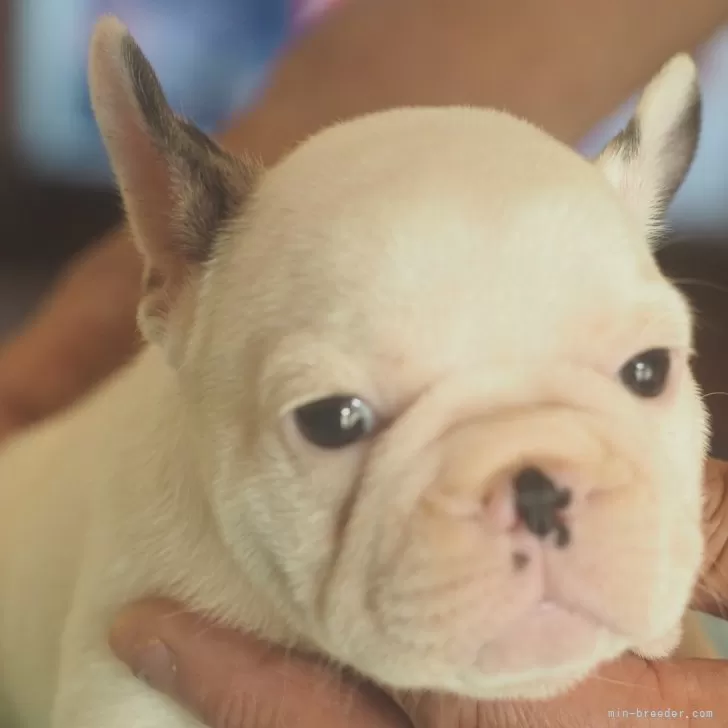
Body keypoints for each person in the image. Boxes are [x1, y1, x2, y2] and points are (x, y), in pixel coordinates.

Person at [2, 0, 728, 725]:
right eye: (339, 418)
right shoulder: (159, 552)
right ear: (175, 277)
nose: (541, 504)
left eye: (642, 372)